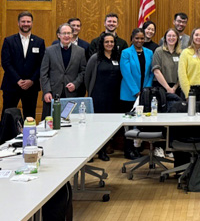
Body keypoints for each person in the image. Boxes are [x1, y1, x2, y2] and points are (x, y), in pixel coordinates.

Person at [0, 11, 46, 120]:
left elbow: (42, 64)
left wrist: (32, 80)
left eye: (28, 21)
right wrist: (18, 80)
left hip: (31, 87)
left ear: (32, 23)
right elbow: (6, 63)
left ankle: (28, 137)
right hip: (12, 85)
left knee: (29, 116)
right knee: (7, 116)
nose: (26, 24)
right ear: (18, 23)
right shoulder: (9, 41)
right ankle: (5, 137)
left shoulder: (39, 42)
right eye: (23, 21)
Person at [85, 32, 121, 161]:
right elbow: (87, 77)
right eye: (107, 42)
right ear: (102, 43)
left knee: (108, 126)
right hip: (98, 96)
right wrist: (91, 93)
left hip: (113, 97)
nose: (109, 44)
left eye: (112, 42)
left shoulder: (117, 56)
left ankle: (103, 151)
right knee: (96, 126)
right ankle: (93, 151)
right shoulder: (96, 58)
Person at [119, 28, 154, 160]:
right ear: (132, 39)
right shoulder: (126, 53)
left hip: (144, 94)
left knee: (140, 122)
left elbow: (151, 72)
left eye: (142, 38)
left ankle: (137, 148)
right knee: (128, 123)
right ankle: (128, 149)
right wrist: (136, 91)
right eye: (137, 38)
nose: (139, 41)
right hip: (129, 94)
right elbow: (126, 73)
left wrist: (145, 90)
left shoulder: (149, 52)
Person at [40, 23, 87, 119]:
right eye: (64, 33)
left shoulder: (80, 51)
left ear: (72, 34)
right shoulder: (49, 51)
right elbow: (43, 73)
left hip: (72, 94)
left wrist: (75, 84)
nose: (67, 36)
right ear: (59, 35)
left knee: (72, 124)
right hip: (52, 94)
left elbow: (83, 71)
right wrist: (46, 91)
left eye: (69, 33)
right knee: (50, 123)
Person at [153, 28, 182, 99]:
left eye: (174, 36)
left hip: (176, 89)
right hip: (160, 87)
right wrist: (168, 88)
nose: (171, 38)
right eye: (169, 36)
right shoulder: (159, 51)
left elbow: (183, 73)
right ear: (165, 38)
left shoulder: (181, 53)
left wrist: (174, 88)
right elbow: (156, 71)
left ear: (177, 38)